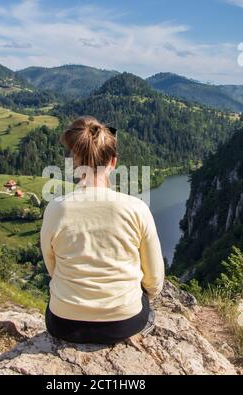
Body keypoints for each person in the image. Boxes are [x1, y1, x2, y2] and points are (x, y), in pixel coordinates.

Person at [41, 116, 165, 345]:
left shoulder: (55, 209)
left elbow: (53, 268)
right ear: (113, 163)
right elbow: (154, 279)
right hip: (124, 322)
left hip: (64, 324)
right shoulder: (136, 208)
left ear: (75, 163)